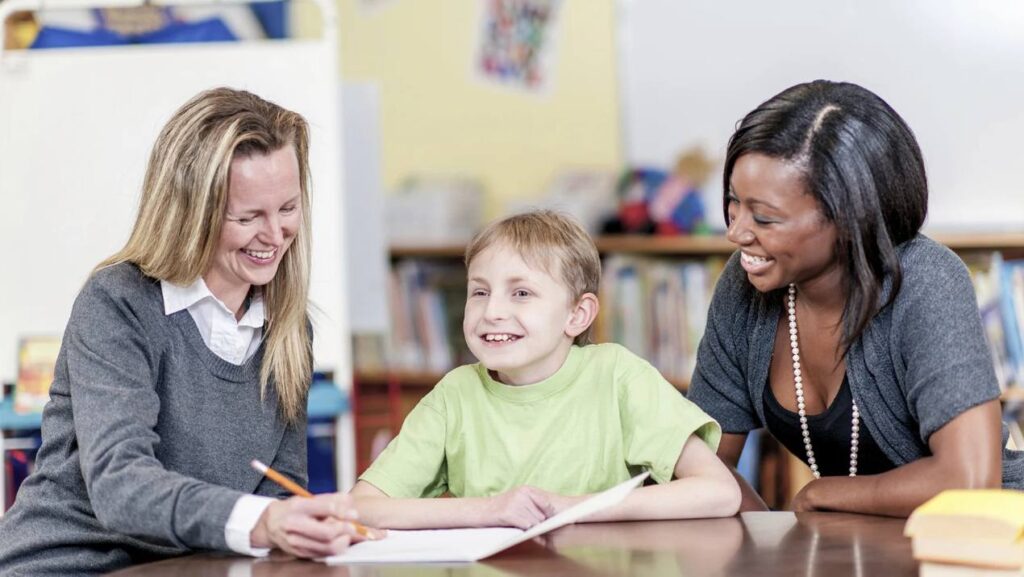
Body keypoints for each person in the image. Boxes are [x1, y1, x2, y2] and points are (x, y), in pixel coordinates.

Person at [0, 88, 377, 576]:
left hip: (190, 568)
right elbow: (121, 486)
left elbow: (282, 491)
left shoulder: (288, 330)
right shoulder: (118, 303)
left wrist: (307, 525)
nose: (275, 235)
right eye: (247, 217)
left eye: (288, 208)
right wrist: (265, 521)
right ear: (190, 213)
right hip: (68, 566)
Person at [686, 80, 1024, 517]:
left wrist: (821, 494)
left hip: (983, 541)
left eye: (765, 217)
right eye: (734, 203)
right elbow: (699, 463)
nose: (736, 233)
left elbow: (971, 480)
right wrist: (766, 537)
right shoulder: (744, 287)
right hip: (854, 546)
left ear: (848, 218)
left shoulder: (925, 281)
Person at [350, 210, 741, 528]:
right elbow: (361, 508)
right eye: (480, 292)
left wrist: (569, 507)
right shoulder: (454, 396)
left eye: (521, 293)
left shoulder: (619, 376)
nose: (493, 312)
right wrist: (490, 511)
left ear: (578, 314)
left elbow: (718, 491)